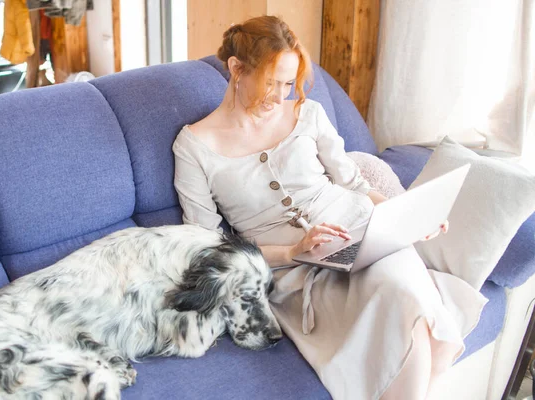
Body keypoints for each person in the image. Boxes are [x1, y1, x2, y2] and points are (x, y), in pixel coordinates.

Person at [172, 15, 485, 400]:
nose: (281, 95)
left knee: (407, 302)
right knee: (407, 314)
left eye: (288, 83)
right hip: (294, 271)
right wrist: (292, 252)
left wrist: (406, 217)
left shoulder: (308, 114)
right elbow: (206, 248)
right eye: (271, 82)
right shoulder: (194, 146)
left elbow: (353, 181)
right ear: (237, 69)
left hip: (363, 230)